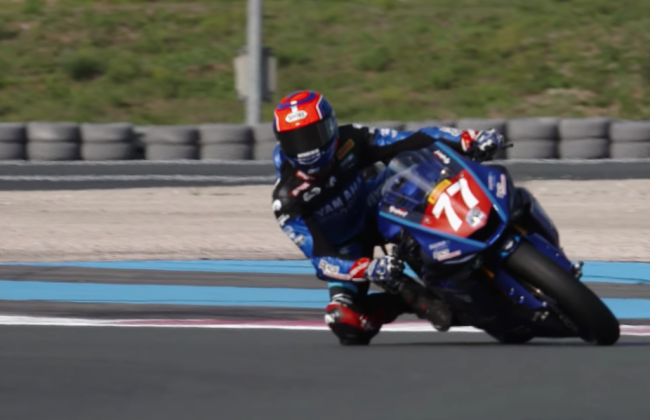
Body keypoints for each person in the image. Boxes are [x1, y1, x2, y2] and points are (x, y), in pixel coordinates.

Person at [271, 90, 504, 345]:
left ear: (329, 127)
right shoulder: (288, 200)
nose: (307, 150)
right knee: (344, 321)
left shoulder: (351, 139)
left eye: (311, 136)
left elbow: (416, 139)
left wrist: (470, 139)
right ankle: (404, 298)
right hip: (346, 249)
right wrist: (368, 268)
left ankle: (461, 236)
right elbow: (323, 261)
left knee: (416, 169)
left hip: (374, 205)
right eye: (295, 141)